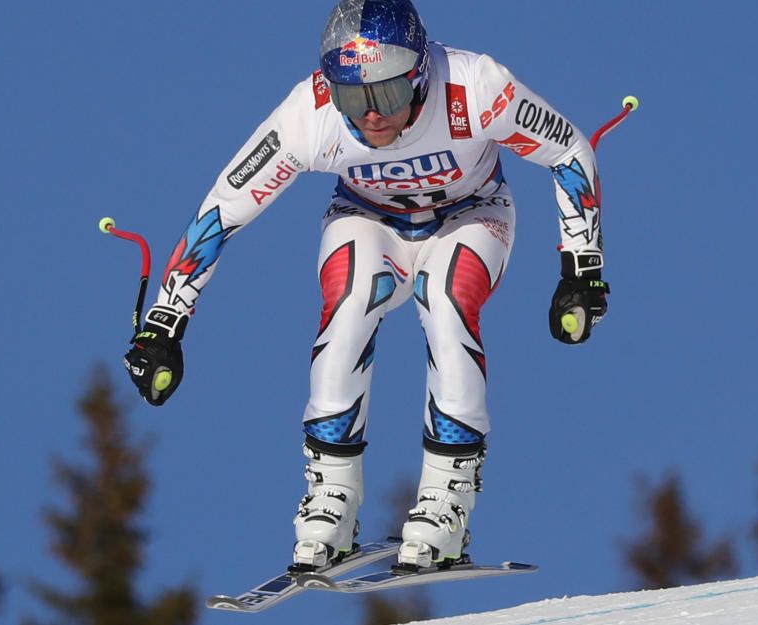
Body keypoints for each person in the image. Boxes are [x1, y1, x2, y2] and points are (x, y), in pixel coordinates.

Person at [123, 0, 609, 571]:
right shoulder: (309, 116)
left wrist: (582, 268)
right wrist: (165, 324)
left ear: (420, 75)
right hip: (368, 218)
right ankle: (331, 495)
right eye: (353, 97)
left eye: (389, 94)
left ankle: (447, 497)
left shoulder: (475, 86)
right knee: (351, 298)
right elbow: (222, 211)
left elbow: (567, 148)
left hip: (472, 213)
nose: (372, 114)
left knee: (446, 297)